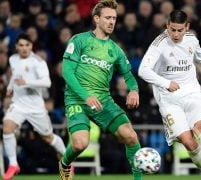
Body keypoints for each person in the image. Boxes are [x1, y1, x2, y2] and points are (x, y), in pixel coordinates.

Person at [138, 10, 201, 180]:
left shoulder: (191, 40)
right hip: (169, 100)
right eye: (172, 29)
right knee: (188, 141)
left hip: (192, 93)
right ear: (167, 25)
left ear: (187, 27)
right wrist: (166, 83)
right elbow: (143, 70)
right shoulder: (159, 44)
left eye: (180, 30)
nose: (175, 34)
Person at [59, 0, 142, 180]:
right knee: (80, 144)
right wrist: (86, 96)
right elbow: (67, 72)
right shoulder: (79, 40)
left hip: (103, 101)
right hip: (77, 100)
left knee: (131, 136)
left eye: (114, 18)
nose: (112, 22)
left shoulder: (116, 50)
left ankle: (138, 179)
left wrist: (134, 90)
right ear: (96, 18)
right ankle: (65, 163)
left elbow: (128, 75)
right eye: (107, 18)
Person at [2, 33, 66, 180]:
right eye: (21, 45)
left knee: (48, 138)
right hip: (18, 104)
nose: (24, 48)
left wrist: (27, 83)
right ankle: (13, 164)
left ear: (31, 46)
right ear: (16, 47)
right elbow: (15, 75)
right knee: (7, 127)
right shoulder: (13, 59)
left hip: (35, 107)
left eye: (27, 45)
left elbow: (46, 83)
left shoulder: (38, 62)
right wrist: (10, 87)